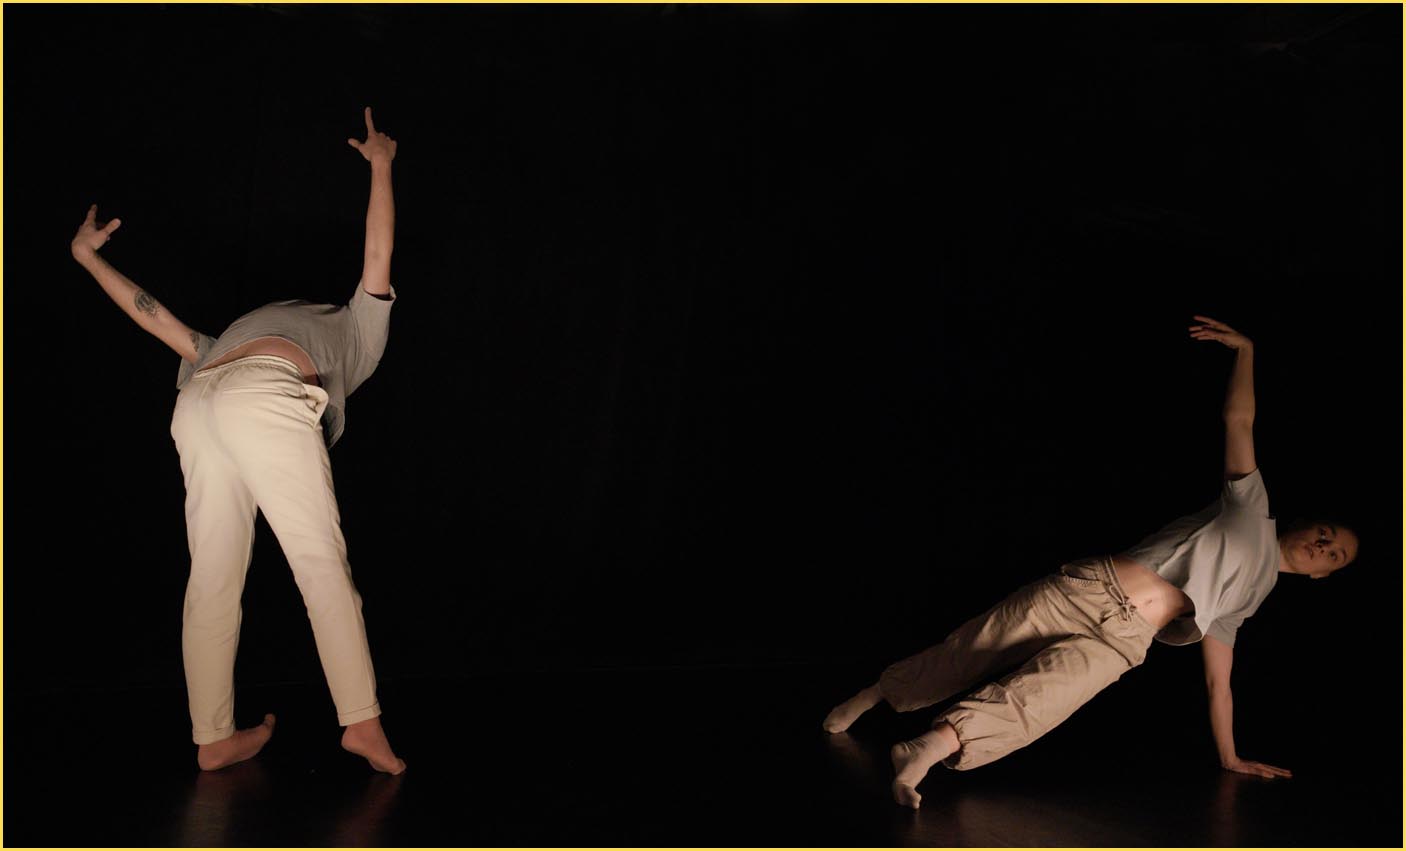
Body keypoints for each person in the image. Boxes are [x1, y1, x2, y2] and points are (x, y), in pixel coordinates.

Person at [822, 316, 1359, 809]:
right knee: (972, 648)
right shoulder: (1253, 507)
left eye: (1334, 554)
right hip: (1089, 589)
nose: (1323, 545)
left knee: (1037, 703)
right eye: (1325, 534)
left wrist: (1230, 756)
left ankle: (923, 750)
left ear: (1322, 575)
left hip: (1124, 642)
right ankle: (878, 694)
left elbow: (1221, 684)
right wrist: (1247, 351)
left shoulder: (1251, 597)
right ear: (1305, 525)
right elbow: (1239, 419)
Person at [70, 107, 406, 774]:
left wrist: (381, 167)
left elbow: (376, 256)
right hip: (234, 395)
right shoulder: (259, 334)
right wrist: (87, 258)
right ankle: (356, 725)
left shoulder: (360, 334)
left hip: (203, 403)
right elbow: (156, 317)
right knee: (314, 565)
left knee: (215, 578)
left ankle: (215, 734)